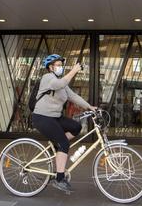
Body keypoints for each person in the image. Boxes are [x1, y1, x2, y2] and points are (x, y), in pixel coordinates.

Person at [32, 54, 96, 193]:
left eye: (61, 65)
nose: (60, 67)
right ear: (50, 67)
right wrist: (73, 71)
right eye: (58, 65)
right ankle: (59, 179)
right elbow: (59, 84)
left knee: (76, 127)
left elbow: (73, 96)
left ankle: (57, 146)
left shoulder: (61, 82)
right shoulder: (48, 78)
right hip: (42, 117)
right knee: (64, 143)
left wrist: (89, 107)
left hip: (54, 117)